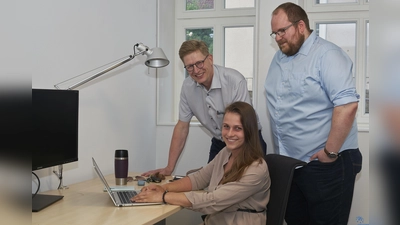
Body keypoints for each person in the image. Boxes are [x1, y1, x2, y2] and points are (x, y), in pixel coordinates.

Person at [264, 2, 362, 225]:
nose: (277, 38)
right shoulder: (280, 57)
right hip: (291, 164)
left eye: (282, 31)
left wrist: (330, 152)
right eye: (274, 33)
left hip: (326, 164)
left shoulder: (327, 55)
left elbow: (347, 106)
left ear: (301, 26)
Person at [132, 101, 270, 224]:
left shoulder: (256, 169)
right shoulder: (226, 153)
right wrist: (165, 188)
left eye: (237, 128)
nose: (229, 134)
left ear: (249, 131)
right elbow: (198, 179)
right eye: (226, 126)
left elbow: (212, 201)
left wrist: (162, 196)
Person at [143, 40, 267, 176]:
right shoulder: (187, 87)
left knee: (237, 187)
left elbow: (244, 125)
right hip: (220, 141)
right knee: (210, 184)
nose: (196, 70)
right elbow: (182, 127)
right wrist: (169, 168)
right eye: (189, 67)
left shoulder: (234, 80)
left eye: (199, 63)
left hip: (248, 140)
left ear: (210, 59)